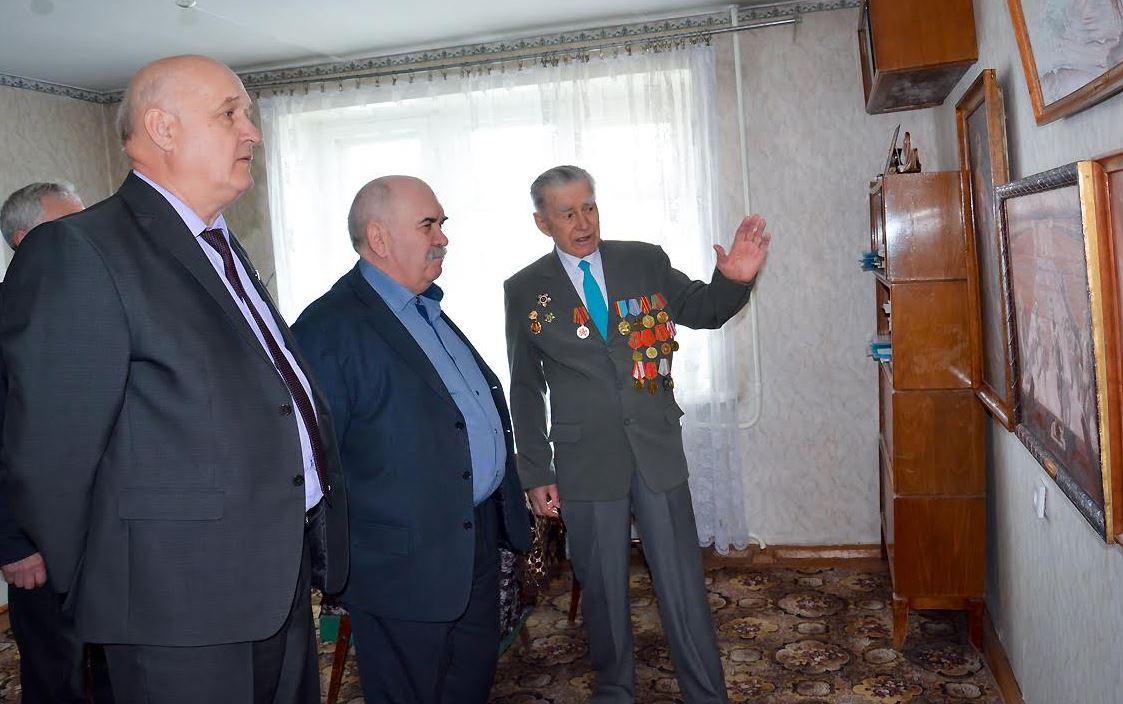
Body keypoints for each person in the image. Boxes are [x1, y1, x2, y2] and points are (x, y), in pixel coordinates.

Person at [0, 55, 348, 704]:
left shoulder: (217, 242)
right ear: (163, 128)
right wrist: (114, 591)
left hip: (274, 581)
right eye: (230, 114)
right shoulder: (79, 249)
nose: (252, 132)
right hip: (176, 609)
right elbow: (50, 452)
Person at [504, 165, 770, 703]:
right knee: (602, 591)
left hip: (655, 449)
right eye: (567, 213)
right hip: (584, 462)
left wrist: (734, 281)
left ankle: (707, 695)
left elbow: (703, 309)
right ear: (542, 223)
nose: (583, 222)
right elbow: (526, 387)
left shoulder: (644, 260)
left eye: (589, 207)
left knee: (683, 586)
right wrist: (535, 470)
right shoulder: (525, 288)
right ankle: (614, 692)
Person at [292, 175, 531, 704]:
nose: (443, 238)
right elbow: (312, 461)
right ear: (379, 238)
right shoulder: (329, 328)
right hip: (402, 568)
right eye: (428, 225)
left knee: (467, 686)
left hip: (471, 543)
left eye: (442, 224)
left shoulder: (426, 309)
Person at [0, 182, 115, 703]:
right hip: (36, 544)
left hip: (104, 535)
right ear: (26, 241)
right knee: (55, 675)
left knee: (115, 668)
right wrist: (13, 543)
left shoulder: (90, 306)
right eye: (69, 227)